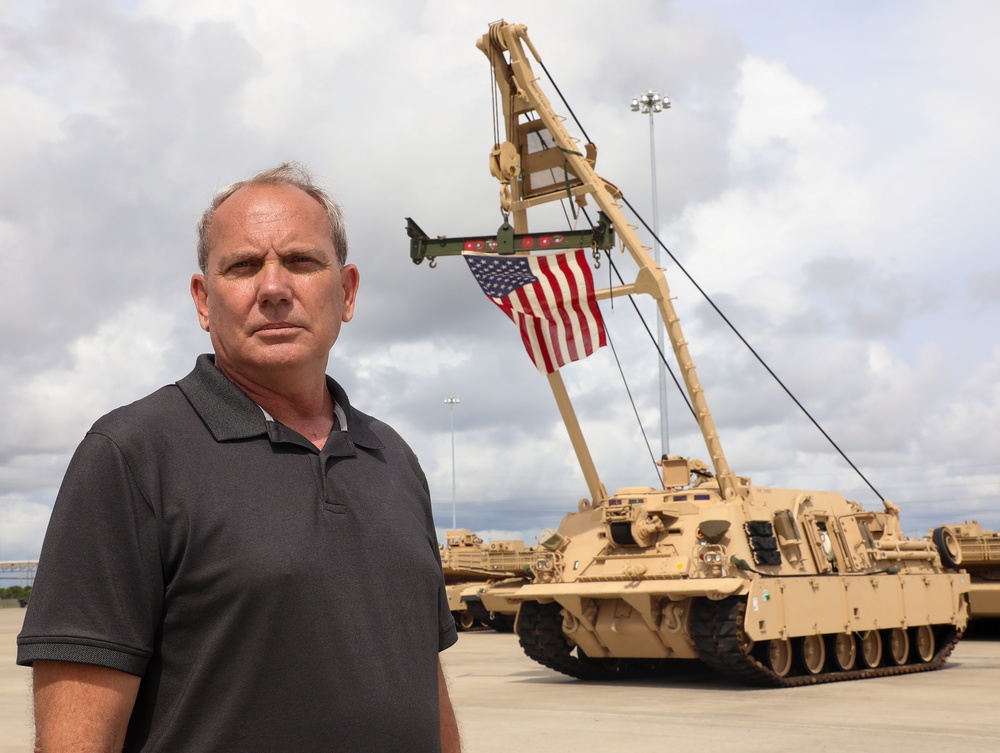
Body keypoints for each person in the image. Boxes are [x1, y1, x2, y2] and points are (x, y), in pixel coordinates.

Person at [17, 163, 461, 752]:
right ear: (203, 301)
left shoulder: (393, 459)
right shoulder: (131, 456)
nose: (274, 288)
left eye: (302, 262)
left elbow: (422, 677)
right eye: (243, 266)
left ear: (346, 291)